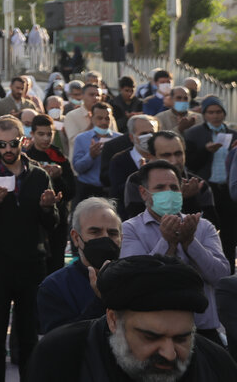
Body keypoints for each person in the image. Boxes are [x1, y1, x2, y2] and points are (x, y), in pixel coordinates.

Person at [25, 254, 237, 381]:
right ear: (113, 320)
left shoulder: (216, 366)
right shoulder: (61, 358)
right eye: (151, 337)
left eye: (182, 338)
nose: (169, 354)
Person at [0, 115, 62, 382]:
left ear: (24, 140)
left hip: (30, 264)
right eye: (2, 144)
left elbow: (51, 224)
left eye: (13, 143)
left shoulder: (39, 175)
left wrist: (47, 207)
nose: (8, 150)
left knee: (29, 336)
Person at [121, 159, 229, 341]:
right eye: (160, 187)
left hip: (203, 330)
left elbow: (220, 276)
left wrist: (190, 243)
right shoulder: (130, 229)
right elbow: (136, 280)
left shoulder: (202, 227)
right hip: (156, 331)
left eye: (173, 187)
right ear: (143, 193)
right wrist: (167, 243)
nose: (168, 193)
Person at [36, 197, 122, 334]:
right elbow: (60, 342)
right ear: (76, 238)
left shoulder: (132, 279)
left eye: (112, 233)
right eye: (95, 232)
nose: (105, 238)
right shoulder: (54, 287)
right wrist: (99, 301)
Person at [185, 96, 236, 265]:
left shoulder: (232, 134)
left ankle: (227, 267)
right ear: (205, 114)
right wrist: (206, 150)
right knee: (208, 230)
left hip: (227, 189)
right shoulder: (194, 134)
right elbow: (190, 164)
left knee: (230, 232)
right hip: (206, 188)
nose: (215, 116)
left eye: (219, 112)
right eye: (211, 112)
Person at [27, 114, 77, 273]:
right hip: (34, 221)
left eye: (49, 134)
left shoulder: (59, 157)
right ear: (32, 134)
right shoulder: (26, 157)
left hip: (58, 221)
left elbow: (71, 191)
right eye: (41, 134)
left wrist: (58, 177)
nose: (45, 138)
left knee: (55, 266)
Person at [70, 101, 116, 202]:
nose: (104, 122)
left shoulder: (119, 139)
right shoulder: (81, 139)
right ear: (92, 118)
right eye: (99, 118)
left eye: (107, 118)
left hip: (111, 191)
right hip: (87, 189)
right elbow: (78, 167)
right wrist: (90, 155)